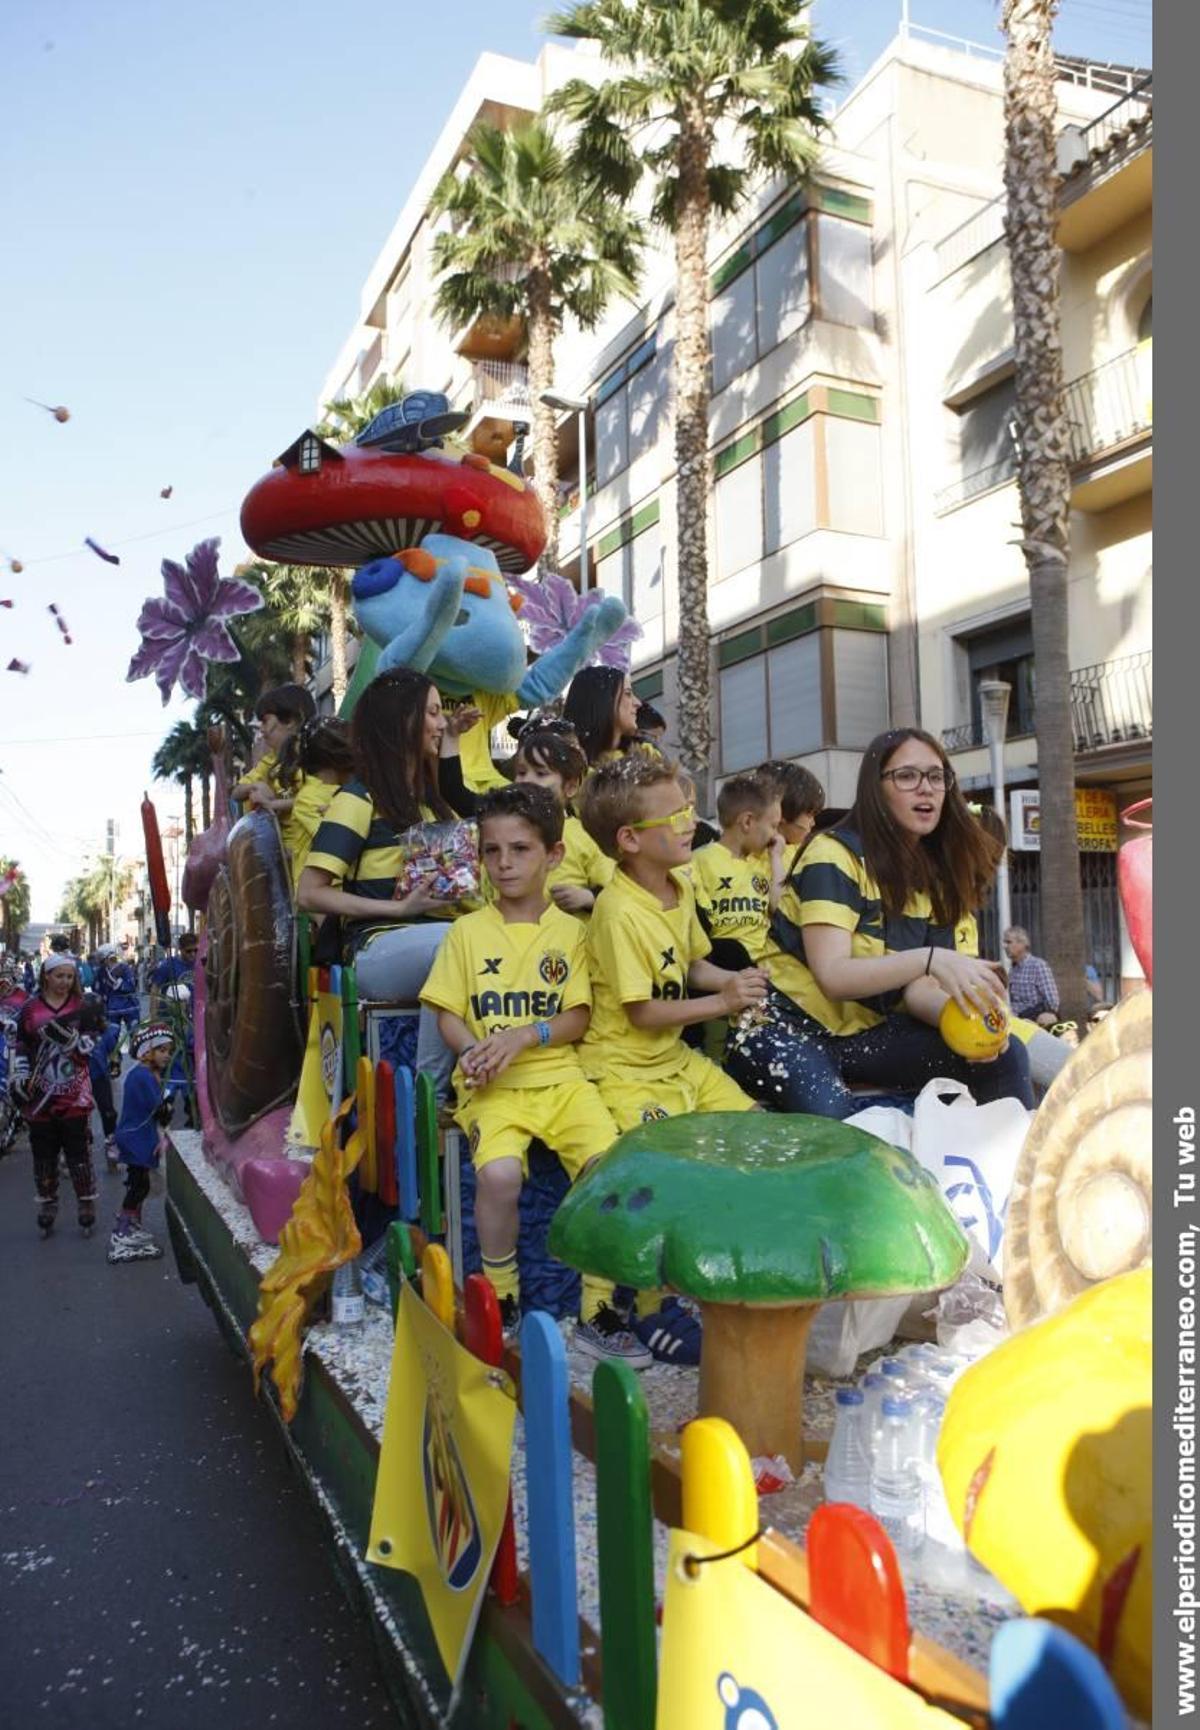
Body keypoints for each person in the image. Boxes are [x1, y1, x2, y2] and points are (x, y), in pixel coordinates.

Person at [422, 784, 646, 1364]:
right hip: (494, 1090)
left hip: (563, 1082)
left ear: (554, 854)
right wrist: (474, 1050)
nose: (504, 863)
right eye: (492, 851)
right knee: (498, 1175)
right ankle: (502, 1294)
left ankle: (599, 1308)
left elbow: (577, 1016)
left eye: (520, 849)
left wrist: (524, 1036)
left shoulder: (573, 933)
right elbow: (447, 1013)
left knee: (605, 1167)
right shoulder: (466, 933)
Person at [727, 728, 1034, 1119]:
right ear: (876, 788)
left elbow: (920, 990)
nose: (926, 788)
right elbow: (833, 975)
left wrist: (972, 1025)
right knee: (833, 1111)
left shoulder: (937, 877)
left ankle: (1020, 1158)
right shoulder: (834, 854)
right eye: (907, 776)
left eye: (936, 776)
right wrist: (929, 958)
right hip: (781, 1027)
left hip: (863, 1035)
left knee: (1005, 1056)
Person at [578, 757, 769, 1363]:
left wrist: (733, 981)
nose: (691, 823)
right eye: (676, 815)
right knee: (654, 1174)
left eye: (689, 810)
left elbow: (691, 964)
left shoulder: (680, 886)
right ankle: (639, 1308)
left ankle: (709, 1270)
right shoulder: (617, 911)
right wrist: (722, 1002)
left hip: (674, 1060)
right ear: (630, 839)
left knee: (755, 1128)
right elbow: (642, 1012)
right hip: (624, 1067)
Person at [297, 669, 466, 1102]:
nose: (441, 723)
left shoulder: (433, 805)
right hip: (374, 948)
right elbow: (309, 892)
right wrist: (398, 910)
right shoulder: (357, 799)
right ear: (403, 721)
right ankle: (431, 1096)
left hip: (436, 939)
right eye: (432, 713)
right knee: (454, 944)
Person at [12, 955, 97, 1237]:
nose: (64, 982)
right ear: (46, 976)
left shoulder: (82, 1007)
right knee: (43, 1155)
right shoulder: (30, 1008)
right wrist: (19, 1075)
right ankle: (48, 1203)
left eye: (69, 977)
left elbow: (92, 1045)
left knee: (78, 1153)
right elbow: (21, 1044)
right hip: (39, 1095)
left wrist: (72, 1041)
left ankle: (86, 1201)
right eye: (59, 976)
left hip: (75, 1093)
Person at [511, 723, 614, 916]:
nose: (526, 781)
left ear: (570, 787)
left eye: (541, 773)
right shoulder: (504, 830)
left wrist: (587, 897)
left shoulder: (585, 834)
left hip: (572, 933)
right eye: (522, 772)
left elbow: (614, 889)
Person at [690, 773, 784, 970]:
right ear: (747, 822)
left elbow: (779, 907)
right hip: (723, 967)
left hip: (768, 969)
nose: (776, 835)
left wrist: (776, 858)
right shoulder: (700, 860)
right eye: (773, 826)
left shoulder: (767, 861)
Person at [107, 1021, 174, 1264]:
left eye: (168, 1050)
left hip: (137, 1135)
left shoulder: (142, 1074)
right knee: (139, 1186)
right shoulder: (143, 1076)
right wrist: (167, 1105)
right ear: (147, 1051)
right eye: (162, 1050)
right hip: (137, 1138)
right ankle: (123, 1230)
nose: (167, 1055)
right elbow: (159, 1109)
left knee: (138, 1182)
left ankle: (130, 1224)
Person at [275, 716, 356, 883]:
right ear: (341, 761)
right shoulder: (307, 799)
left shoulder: (345, 791)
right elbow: (335, 843)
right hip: (318, 893)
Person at [230, 682, 318, 814]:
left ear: (290, 720)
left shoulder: (318, 754)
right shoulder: (271, 759)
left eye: (265, 721)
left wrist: (274, 804)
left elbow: (321, 800)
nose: (261, 729)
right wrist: (253, 786)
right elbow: (236, 793)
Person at [562, 666, 651, 768]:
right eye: (628, 693)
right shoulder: (565, 769)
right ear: (603, 701)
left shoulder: (648, 758)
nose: (638, 703)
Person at [757, 761, 827, 875]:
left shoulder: (808, 854)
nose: (813, 823)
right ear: (781, 812)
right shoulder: (746, 858)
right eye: (810, 815)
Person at [1003, 926, 1060, 1026]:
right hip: (1015, 1021)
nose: (1005, 946)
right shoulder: (1013, 970)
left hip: (1032, 1022)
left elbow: (1053, 1002)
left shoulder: (1038, 966)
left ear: (1022, 944)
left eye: (1009, 942)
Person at [95, 943, 140, 1048]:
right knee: (111, 1036)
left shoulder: (124, 968)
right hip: (112, 1009)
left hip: (129, 1006)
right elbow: (98, 989)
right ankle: (114, 1055)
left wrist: (118, 984)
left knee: (135, 1035)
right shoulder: (101, 971)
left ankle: (138, 1054)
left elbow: (131, 986)